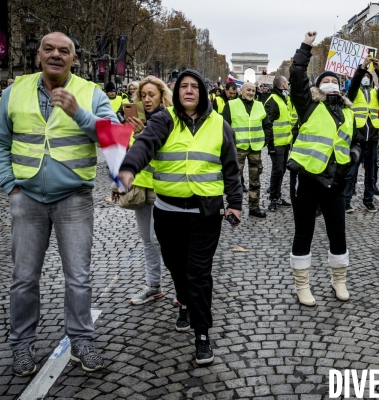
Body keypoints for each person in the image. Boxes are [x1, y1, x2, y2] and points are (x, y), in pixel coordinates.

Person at [0, 32, 118, 376]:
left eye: (64, 51)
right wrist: (8, 185)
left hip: (74, 200)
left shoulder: (91, 93)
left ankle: (82, 340)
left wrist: (80, 114)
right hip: (26, 199)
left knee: (78, 278)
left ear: (74, 60)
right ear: (38, 55)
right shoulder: (12, 91)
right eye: (49, 49)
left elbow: (115, 138)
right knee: (23, 279)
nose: (56, 55)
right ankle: (20, 346)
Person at [118, 69, 242, 365]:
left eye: (194, 86)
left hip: (206, 212)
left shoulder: (220, 125)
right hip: (168, 211)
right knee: (175, 265)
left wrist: (235, 203)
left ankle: (202, 333)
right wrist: (129, 167)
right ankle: (183, 300)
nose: (188, 90)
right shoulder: (163, 119)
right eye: (183, 86)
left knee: (199, 273)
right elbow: (144, 144)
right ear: (176, 92)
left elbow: (231, 167)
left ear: (202, 91)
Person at [287, 31, 360, 306]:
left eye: (335, 81)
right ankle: (302, 285)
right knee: (303, 232)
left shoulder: (349, 111)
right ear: (318, 86)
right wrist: (306, 45)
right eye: (325, 80)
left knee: (338, 232)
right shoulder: (307, 103)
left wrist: (352, 157)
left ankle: (339, 280)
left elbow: (355, 142)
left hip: (337, 181)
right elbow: (296, 73)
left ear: (341, 87)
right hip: (307, 178)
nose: (330, 83)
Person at [111, 76, 173, 305]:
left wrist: (141, 133)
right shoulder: (133, 120)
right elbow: (124, 152)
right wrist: (116, 184)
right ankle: (153, 285)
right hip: (139, 187)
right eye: (142, 95)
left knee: (162, 240)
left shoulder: (168, 120)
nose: (146, 100)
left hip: (162, 186)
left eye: (151, 95)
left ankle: (181, 286)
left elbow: (159, 150)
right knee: (147, 240)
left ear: (162, 96)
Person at [344, 55, 379, 213]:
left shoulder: (377, 93)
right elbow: (354, 82)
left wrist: (378, 69)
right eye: (364, 76)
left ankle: (368, 200)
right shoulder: (354, 93)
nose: (365, 78)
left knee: (371, 172)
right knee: (352, 171)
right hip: (357, 136)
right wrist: (362, 67)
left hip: (372, 137)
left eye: (368, 77)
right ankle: (347, 200)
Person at [222, 82, 273, 218]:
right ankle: (233, 206)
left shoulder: (259, 105)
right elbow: (224, 126)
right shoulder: (231, 105)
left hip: (255, 148)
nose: (251, 92)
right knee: (235, 179)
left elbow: (267, 124)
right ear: (241, 91)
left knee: (255, 180)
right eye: (248, 90)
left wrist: (265, 140)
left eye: (253, 90)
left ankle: (254, 207)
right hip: (237, 148)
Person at [264, 75, 292, 211]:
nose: (288, 84)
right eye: (287, 82)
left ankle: (278, 196)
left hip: (285, 142)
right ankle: (274, 198)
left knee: (281, 171)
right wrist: (270, 145)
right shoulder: (273, 101)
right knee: (277, 171)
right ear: (282, 85)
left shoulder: (283, 99)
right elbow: (267, 124)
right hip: (277, 144)